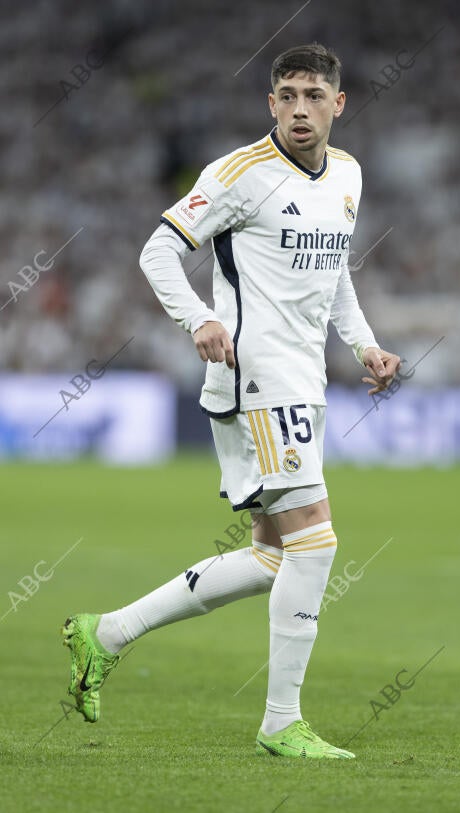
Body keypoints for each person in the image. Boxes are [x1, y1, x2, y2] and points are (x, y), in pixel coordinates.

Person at [62, 42, 400, 760]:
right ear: (270, 103)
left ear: (338, 105)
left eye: (314, 95)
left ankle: (108, 631)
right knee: (317, 539)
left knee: (276, 555)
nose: (300, 108)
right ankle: (282, 722)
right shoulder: (239, 174)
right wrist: (200, 319)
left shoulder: (347, 174)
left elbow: (335, 270)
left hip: (300, 378)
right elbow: (158, 250)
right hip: (256, 379)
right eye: (287, 94)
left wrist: (365, 344)